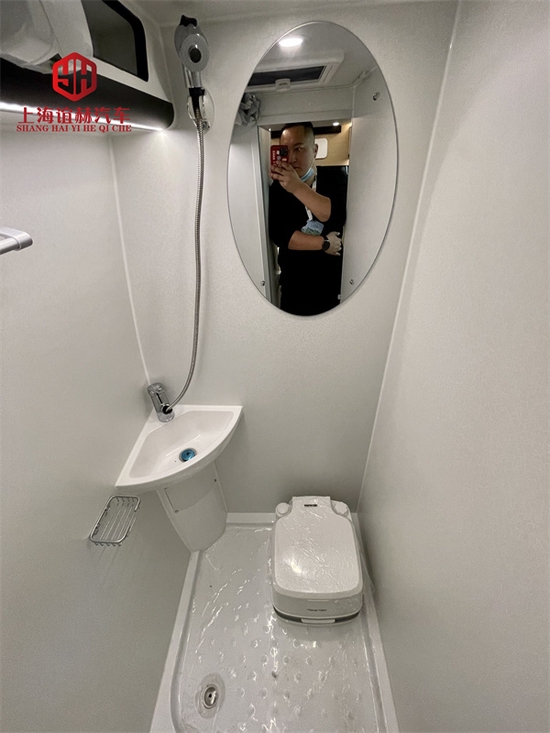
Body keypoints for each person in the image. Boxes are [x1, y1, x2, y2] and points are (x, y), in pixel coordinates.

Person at [268, 122, 348, 316]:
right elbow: (281, 235)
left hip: (331, 284)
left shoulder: (336, 177)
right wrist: (324, 243)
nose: (292, 158)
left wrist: (296, 187)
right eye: (286, 150)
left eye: (299, 148)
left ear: (315, 150)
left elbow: (334, 215)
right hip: (294, 288)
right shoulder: (278, 188)